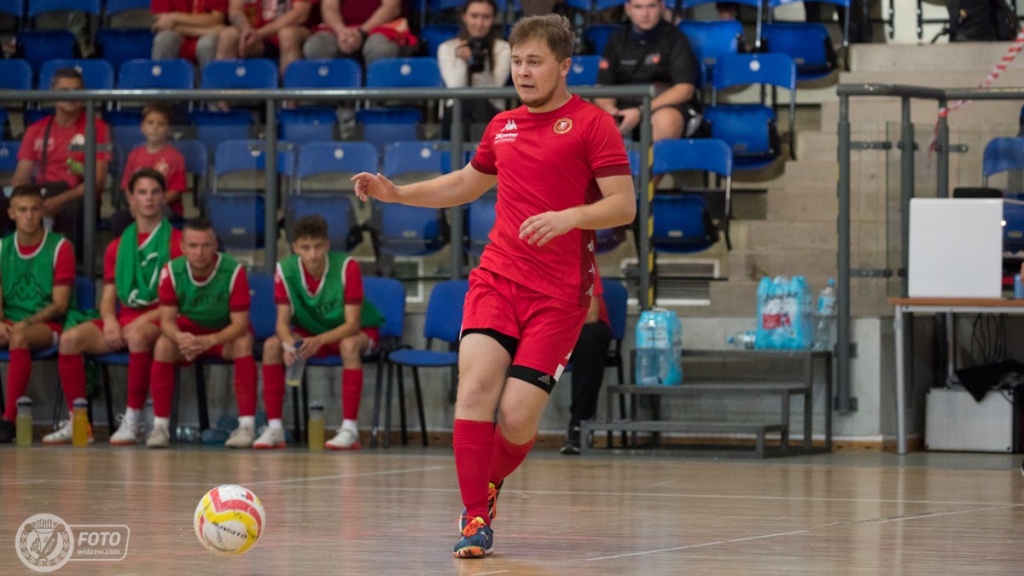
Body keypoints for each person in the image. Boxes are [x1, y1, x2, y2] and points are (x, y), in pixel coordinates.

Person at [351, 14, 636, 559]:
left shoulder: (592, 124)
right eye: (519, 62)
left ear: (564, 66)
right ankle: (475, 519)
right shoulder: (501, 125)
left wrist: (571, 218)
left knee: (515, 416)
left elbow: (623, 204)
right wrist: (397, 193)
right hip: (497, 277)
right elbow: (464, 183)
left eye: (536, 63)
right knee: (476, 389)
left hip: (559, 294)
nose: (524, 73)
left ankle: (487, 483)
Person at [49, 169, 183, 446]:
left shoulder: (178, 242)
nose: (149, 198)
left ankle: (133, 420)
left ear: (163, 198)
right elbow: (108, 297)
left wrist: (138, 321)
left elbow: (179, 301)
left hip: (163, 319)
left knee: (136, 334)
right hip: (124, 319)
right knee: (70, 339)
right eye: (142, 192)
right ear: (131, 199)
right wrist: (109, 320)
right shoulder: (117, 246)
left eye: (155, 192)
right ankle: (79, 423)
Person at [254, 215, 385, 450]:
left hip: (355, 331)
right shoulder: (284, 270)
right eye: (306, 247)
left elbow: (352, 324)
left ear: (327, 245)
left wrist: (318, 340)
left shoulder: (347, 267)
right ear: (295, 248)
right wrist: (288, 344)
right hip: (311, 333)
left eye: (317, 247)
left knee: (349, 345)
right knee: (271, 346)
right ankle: (274, 429)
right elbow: (282, 323)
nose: (312, 254)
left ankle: (350, 429)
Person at [145, 217, 257, 449]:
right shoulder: (172, 271)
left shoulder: (233, 271)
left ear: (215, 245)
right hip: (188, 335)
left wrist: (209, 341)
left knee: (243, 343)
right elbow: (166, 322)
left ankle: (247, 425)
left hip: (222, 334)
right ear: (182, 247)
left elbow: (240, 324)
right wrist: (180, 338)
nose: (199, 252)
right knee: (163, 345)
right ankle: (160, 426)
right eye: (193, 246)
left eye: (206, 245)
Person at [0, 186, 76, 443]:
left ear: (43, 211)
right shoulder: (1, 248)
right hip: (9, 321)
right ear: (11, 213)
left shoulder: (60, 247)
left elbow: (59, 305)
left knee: (19, 338)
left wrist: (25, 323)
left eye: (35, 209)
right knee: (13, 334)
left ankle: (8, 420)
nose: (30, 216)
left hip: (49, 324)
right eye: (23, 210)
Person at [9, 67, 111, 249]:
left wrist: (59, 201)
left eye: (76, 91)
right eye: (64, 91)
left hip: (75, 195)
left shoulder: (97, 128)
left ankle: (76, 269)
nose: (71, 97)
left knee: (75, 209)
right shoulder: (36, 129)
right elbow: (21, 177)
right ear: (52, 94)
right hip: (40, 192)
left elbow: (97, 182)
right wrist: (28, 202)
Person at [594, 0, 702, 142]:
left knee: (666, 121)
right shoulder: (616, 40)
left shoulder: (676, 38)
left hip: (662, 106)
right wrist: (612, 112)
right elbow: (603, 88)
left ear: (662, 7)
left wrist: (640, 111)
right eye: (638, 7)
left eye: (651, 6)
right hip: (623, 108)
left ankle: (651, 164)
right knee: (578, 114)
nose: (645, 14)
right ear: (628, 9)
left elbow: (684, 90)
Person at [437, 0, 511, 141]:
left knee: (479, 103)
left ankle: (480, 159)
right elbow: (455, 88)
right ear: (464, 17)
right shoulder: (446, 48)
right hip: (455, 112)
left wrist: (481, 61)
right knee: (464, 104)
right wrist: (463, 61)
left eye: (486, 17)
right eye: (474, 16)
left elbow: (492, 92)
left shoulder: (503, 48)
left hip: (489, 111)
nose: (479, 23)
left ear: (493, 18)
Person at [111, 105, 188, 234]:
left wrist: (153, 203)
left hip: (165, 207)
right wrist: (134, 204)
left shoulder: (176, 156)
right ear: (142, 127)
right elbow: (127, 187)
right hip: (138, 206)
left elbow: (176, 191)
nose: (155, 127)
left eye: (161, 124)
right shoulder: (134, 155)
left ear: (169, 130)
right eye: (150, 123)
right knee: (118, 219)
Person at [559, 291, 612, 455]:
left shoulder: (583, 265)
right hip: (547, 330)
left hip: (577, 330)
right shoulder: (525, 267)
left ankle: (578, 425)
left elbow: (591, 314)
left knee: (591, 336)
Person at [215, 0, 319, 77]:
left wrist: (261, 33)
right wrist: (247, 30)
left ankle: (290, 103)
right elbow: (235, 11)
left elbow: (300, 14)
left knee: (287, 35)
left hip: (293, 33)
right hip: (255, 35)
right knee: (228, 35)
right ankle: (221, 102)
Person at [302, 0, 410, 66]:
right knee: (317, 46)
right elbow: (329, 8)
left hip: (380, 27)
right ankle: (325, 101)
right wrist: (341, 32)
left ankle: (376, 100)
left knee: (380, 48)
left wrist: (361, 32)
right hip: (341, 30)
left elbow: (391, 8)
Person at [151, 0, 228, 68]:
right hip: (201, 31)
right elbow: (162, 23)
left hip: (207, 36)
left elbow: (216, 19)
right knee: (164, 39)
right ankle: (160, 82)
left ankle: (210, 83)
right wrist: (206, 31)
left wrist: (174, 18)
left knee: (207, 44)